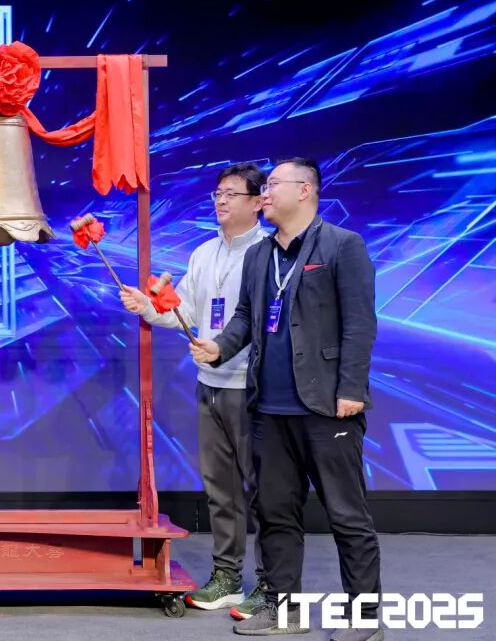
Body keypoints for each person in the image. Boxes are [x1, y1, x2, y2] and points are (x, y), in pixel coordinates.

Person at [189, 158, 381, 640]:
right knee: (275, 516)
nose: (266, 192)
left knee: (346, 516)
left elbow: (360, 324)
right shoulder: (261, 255)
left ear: (306, 191)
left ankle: (364, 619)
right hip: (268, 410)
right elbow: (244, 317)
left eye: (274, 184)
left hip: (326, 408)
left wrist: (351, 389)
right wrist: (219, 348)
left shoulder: (342, 245)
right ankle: (284, 611)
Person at [120, 162, 268, 618]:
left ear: (258, 202)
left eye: (231, 193)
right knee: (221, 489)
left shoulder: (269, 253)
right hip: (210, 386)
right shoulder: (204, 252)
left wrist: (224, 348)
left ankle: (271, 581)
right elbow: (182, 310)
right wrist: (148, 307)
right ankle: (227, 575)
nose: (221, 200)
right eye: (217, 193)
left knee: (265, 491)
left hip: (254, 389)